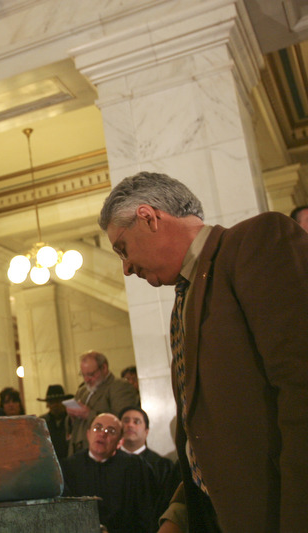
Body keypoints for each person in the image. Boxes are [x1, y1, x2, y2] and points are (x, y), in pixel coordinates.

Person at [99, 171, 308, 532]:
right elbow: (209, 432)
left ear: (149, 217)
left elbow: (301, 388)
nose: (127, 267)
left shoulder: (256, 241)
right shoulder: (186, 297)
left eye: (122, 248)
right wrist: (181, 511)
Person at [61, 413, 155, 533]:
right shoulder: (69, 467)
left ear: (120, 442)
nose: (102, 433)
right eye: (97, 428)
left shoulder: (135, 467)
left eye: (111, 431)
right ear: (88, 434)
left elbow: (145, 514)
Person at [66, 351, 139, 455]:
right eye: (83, 375)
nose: (87, 379)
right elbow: (71, 428)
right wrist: (71, 417)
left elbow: (122, 420)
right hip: (80, 452)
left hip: (106, 452)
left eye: (91, 374)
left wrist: (89, 414)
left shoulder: (119, 386)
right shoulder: (82, 391)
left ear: (104, 368)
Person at [119, 407, 178, 522]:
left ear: (147, 431)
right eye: (126, 421)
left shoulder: (163, 466)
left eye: (136, 422)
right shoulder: (109, 462)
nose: (130, 425)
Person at [37, 384, 72, 461]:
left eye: (58, 401)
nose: (56, 405)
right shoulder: (41, 423)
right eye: (52, 402)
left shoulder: (71, 420)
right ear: (48, 405)